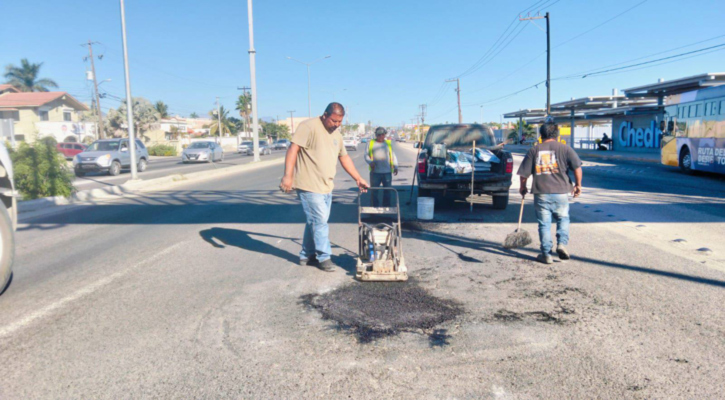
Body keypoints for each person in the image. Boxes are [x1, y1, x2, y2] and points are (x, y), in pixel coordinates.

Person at [279, 102, 369, 272]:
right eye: (334, 121)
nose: (337, 125)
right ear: (325, 115)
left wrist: (358, 178)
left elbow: (344, 158)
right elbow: (293, 149)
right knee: (319, 221)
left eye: (340, 122)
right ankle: (324, 257)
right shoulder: (308, 126)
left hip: (326, 186)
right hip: (308, 185)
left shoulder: (337, 135)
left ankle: (306, 254)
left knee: (314, 221)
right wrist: (288, 176)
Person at [518, 121, 583, 264]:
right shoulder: (566, 149)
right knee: (563, 219)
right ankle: (562, 244)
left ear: (541, 135)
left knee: (544, 224)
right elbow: (577, 168)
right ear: (557, 135)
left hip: (541, 192)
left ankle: (546, 254)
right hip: (561, 192)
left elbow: (524, 174)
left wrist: (522, 187)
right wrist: (578, 185)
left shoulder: (534, 150)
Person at [364, 127, 399, 207]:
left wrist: (396, 166)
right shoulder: (370, 143)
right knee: (374, 192)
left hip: (387, 172)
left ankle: (386, 209)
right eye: (379, 135)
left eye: (382, 135)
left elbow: (393, 155)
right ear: (376, 135)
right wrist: (370, 162)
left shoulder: (388, 143)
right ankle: (374, 209)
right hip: (375, 172)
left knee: (387, 192)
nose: (381, 137)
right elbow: (366, 155)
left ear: (385, 135)